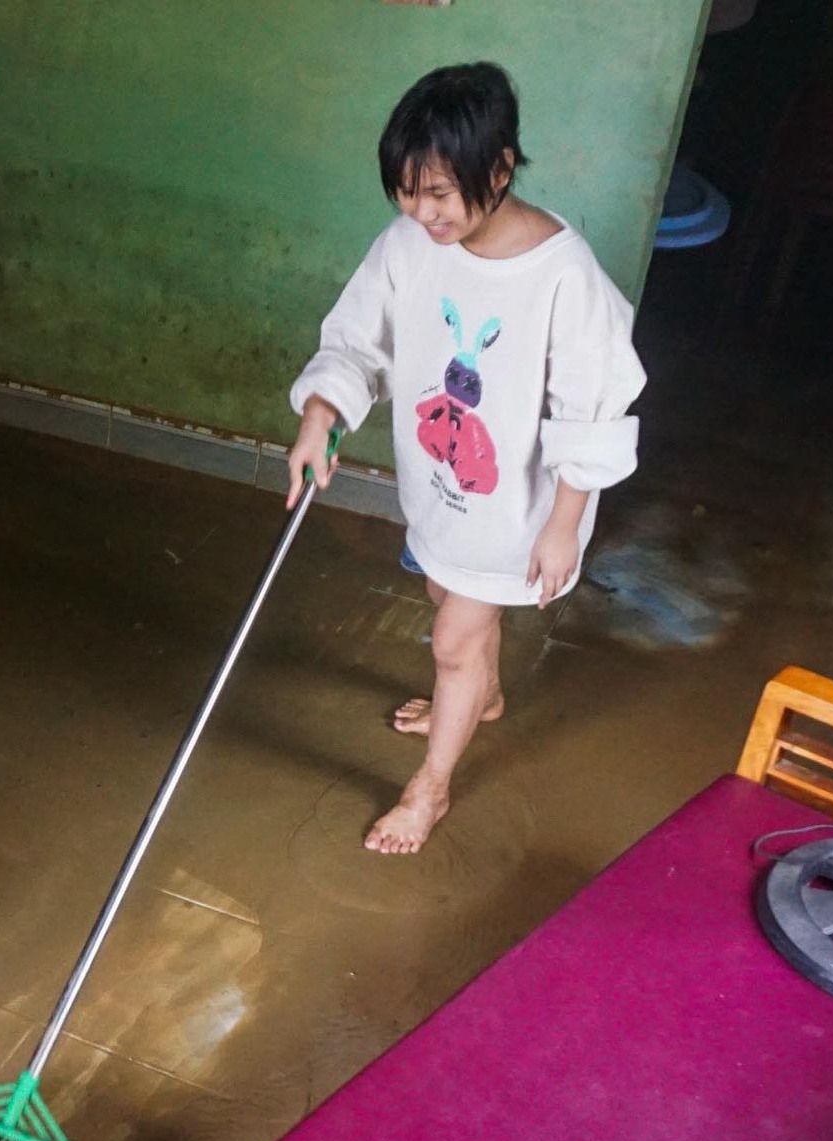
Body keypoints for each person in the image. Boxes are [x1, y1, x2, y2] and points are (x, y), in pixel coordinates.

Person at [285, 62, 646, 855]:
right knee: (448, 595)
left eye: (439, 193)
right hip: (441, 482)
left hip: (520, 510)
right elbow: (358, 335)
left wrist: (563, 524)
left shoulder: (562, 273)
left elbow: (594, 404)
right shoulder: (410, 243)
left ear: (502, 167)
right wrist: (322, 414)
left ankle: (430, 791)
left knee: (452, 639)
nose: (422, 213)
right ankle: (480, 696)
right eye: (407, 192)